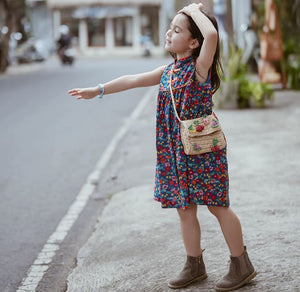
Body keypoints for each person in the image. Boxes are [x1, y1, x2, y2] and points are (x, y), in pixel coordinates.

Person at [68, 3, 256, 291]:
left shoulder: (199, 68)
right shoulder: (168, 72)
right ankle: (194, 264)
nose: (169, 33)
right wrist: (99, 90)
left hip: (203, 151)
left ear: (194, 42)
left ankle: (241, 264)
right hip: (176, 153)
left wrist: (192, 11)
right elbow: (132, 80)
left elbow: (212, 36)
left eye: (177, 30)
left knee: (217, 205)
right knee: (185, 208)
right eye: (170, 27)